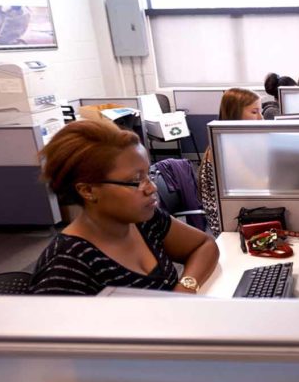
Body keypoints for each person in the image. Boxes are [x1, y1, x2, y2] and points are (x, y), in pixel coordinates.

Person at [29, 119, 219, 295]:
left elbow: (204, 245)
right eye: (136, 181)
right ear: (87, 190)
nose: (151, 188)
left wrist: (185, 288)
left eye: (148, 175)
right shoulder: (66, 266)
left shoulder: (143, 220)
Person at [199, 88, 262, 237]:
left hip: (241, 210)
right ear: (235, 114)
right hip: (228, 222)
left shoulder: (238, 142)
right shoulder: (225, 148)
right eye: (254, 112)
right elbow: (255, 184)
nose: (261, 118)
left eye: (261, 111)